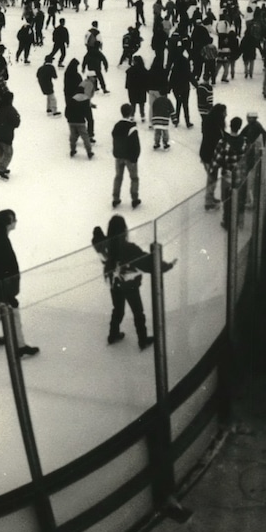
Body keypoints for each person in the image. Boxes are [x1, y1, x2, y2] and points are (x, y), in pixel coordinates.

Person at [92, 214, 175, 350]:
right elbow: (149, 262)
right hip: (129, 283)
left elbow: (98, 242)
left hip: (114, 282)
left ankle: (113, 335)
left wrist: (97, 234)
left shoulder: (106, 246)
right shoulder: (129, 248)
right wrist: (167, 266)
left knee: (118, 309)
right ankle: (142, 340)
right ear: (124, 230)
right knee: (138, 311)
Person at [0, 209, 38, 356]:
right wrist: (7, 294)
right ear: (7, 223)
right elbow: (4, 270)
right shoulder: (1, 241)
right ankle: (20, 346)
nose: (15, 222)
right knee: (13, 314)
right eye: (14, 220)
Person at [212, 116, 247, 229]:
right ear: (240, 127)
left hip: (227, 175)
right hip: (240, 175)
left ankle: (227, 222)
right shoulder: (244, 141)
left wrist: (214, 169)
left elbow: (217, 159)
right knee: (240, 198)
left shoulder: (223, 142)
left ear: (230, 126)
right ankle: (239, 221)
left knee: (227, 199)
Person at [111, 102, 142, 209]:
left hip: (118, 156)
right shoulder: (132, 127)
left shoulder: (117, 126)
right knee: (134, 178)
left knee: (118, 177)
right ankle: (134, 198)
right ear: (131, 113)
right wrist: (135, 157)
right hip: (129, 157)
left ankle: (115, 198)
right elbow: (135, 144)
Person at [0, 90, 21, 179]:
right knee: (8, 153)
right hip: (6, 135)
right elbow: (16, 122)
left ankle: (3, 166)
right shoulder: (11, 110)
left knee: (1, 151)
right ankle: (0, 169)